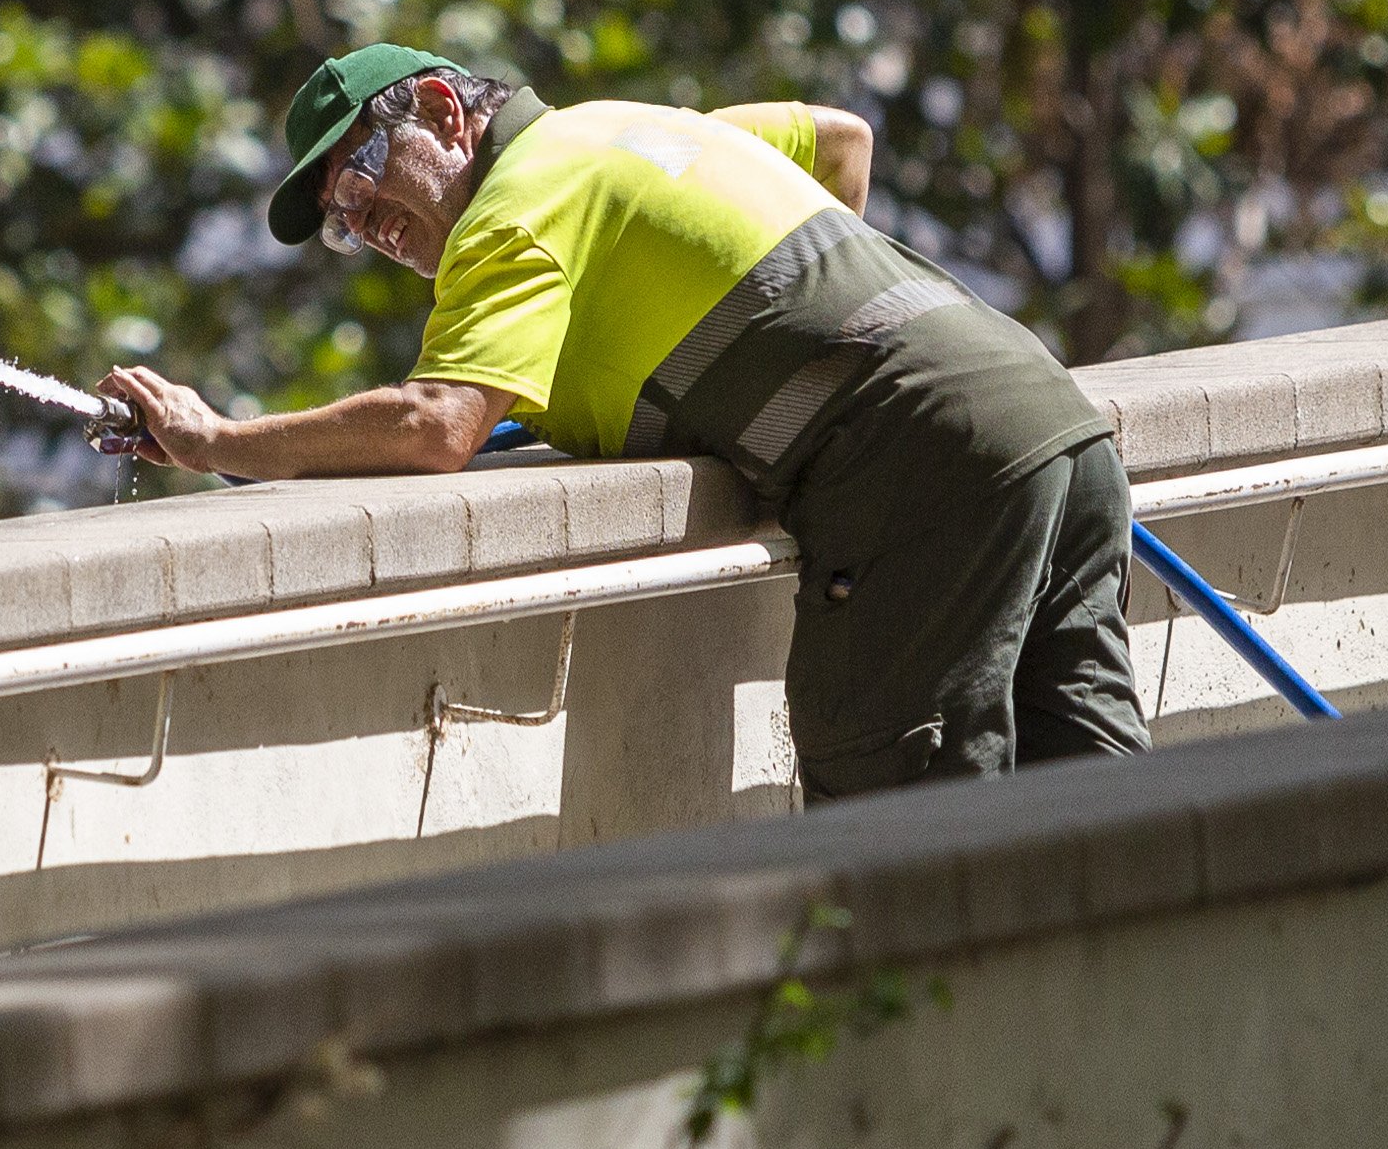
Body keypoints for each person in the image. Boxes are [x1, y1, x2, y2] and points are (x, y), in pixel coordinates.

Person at [94, 46, 1148, 799]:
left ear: (441, 110)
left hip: (923, 474)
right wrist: (770, 351)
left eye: (360, 177)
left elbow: (435, 426)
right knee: (1102, 818)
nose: (361, 224)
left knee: (906, 837)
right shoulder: (626, 130)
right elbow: (840, 140)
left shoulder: (511, 207)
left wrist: (213, 439)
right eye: (338, 222)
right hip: (1049, 418)